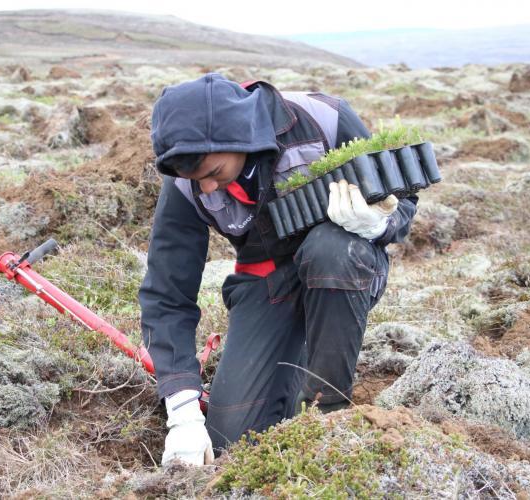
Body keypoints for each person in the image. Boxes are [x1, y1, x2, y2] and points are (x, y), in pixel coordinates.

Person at [139, 73, 417, 466]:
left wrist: (379, 223)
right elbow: (167, 293)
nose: (206, 189)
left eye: (214, 172)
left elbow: (402, 197)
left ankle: (327, 418)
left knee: (330, 249)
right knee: (231, 443)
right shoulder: (186, 180)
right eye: (194, 180)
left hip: (344, 265)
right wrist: (181, 407)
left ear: (238, 137)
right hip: (264, 282)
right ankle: (288, 368)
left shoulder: (324, 120)